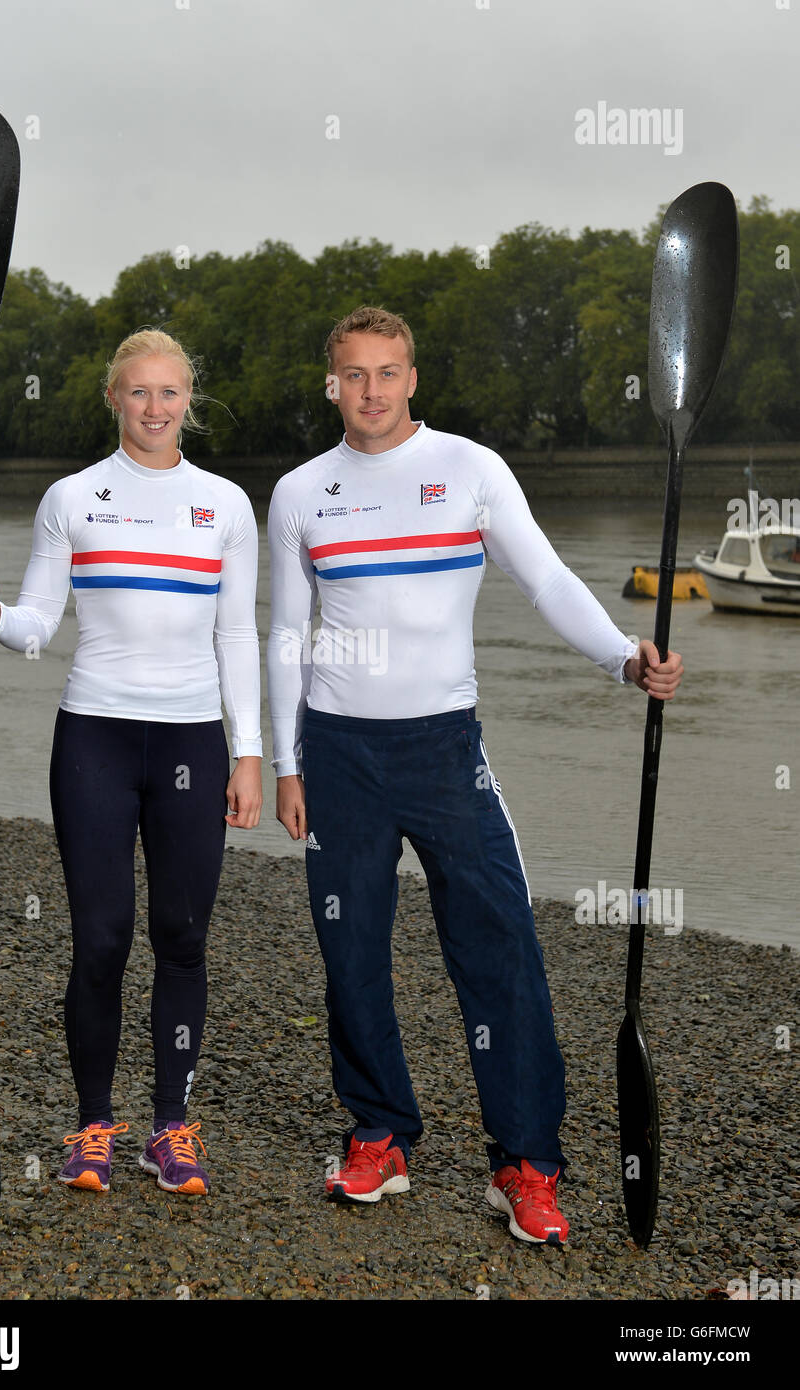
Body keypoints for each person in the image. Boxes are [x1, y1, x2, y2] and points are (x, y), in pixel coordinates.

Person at [267, 306, 682, 1246]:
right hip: (338, 753)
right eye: (353, 375)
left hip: (446, 751)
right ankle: (378, 1137)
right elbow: (288, 635)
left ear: (413, 377)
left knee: (499, 948)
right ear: (331, 383)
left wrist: (624, 657)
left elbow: (548, 582)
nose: (371, 391)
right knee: (352, 956)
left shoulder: (472, 470)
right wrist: (287, 762)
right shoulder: (299, 492)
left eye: (388, 372)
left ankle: (526, 1166)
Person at [0, 328, 262, 1197]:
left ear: (188, 402)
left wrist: (251, 752)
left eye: (170, 393)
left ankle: (172, 1127)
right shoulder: (72, 499)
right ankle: (93, 1128)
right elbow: (38, 628)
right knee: (100, 939)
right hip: (93, 735)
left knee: (183, 936)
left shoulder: (226, 505)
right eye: (139, 393)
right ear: (113, 398)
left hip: (194, 740)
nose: (155, 408)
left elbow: (237, 633)